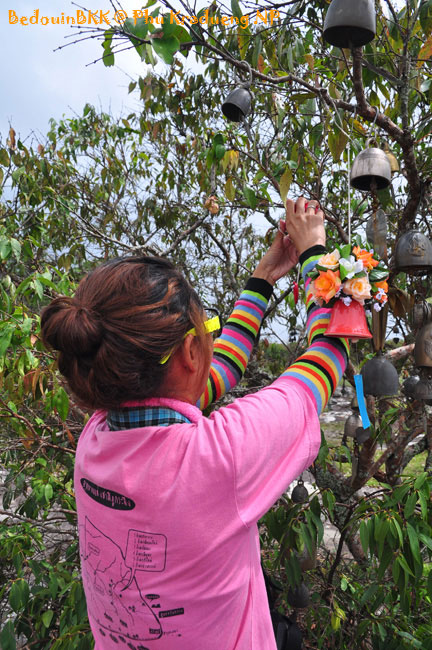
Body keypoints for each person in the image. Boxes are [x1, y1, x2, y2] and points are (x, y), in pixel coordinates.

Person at [40, 197, 348, 650]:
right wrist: (314, 255)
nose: (213, 341)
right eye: (208, 331)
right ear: (187, 355)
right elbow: (327, 357)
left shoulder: (96, 437)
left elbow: (221, 366)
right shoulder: (218, 459)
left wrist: (263, 279)